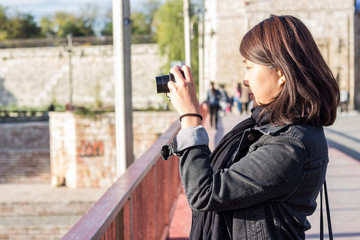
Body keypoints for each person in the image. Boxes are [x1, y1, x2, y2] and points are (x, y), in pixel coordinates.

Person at [164, 15, 339, 239]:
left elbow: (204, 193)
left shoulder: (290, 146)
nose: (245, 79)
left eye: (250, 68)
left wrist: (190, 118)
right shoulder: (270, 126)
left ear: (281, 73)